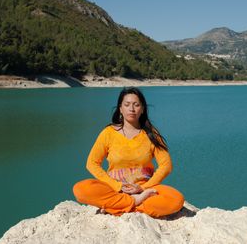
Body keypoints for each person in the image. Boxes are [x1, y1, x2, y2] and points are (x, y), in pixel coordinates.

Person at [73, 87, 184, 217]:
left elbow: (166, 166)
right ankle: (133, 202)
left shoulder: (151, 134)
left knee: (176, 199)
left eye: (136, 105)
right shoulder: (108, 133)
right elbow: (92, 163)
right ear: (120, 108)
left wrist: (143, 188)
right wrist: (117, 186)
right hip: (114, 188)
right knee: (81, 189)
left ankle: (116, 207)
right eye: (127, 105)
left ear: (142, 109)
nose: (131, 109)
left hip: (144, 188)